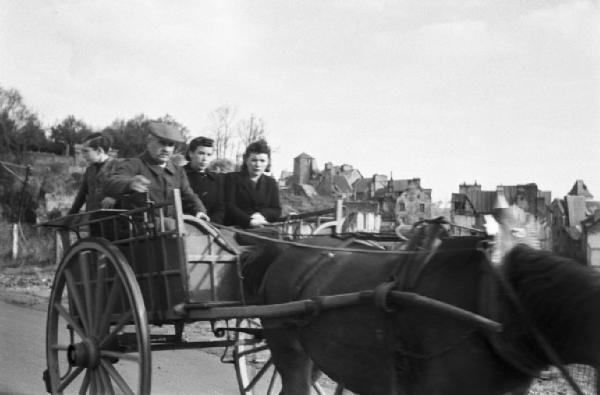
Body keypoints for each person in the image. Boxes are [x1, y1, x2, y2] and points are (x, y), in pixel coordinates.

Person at [104, 121, 208, 220]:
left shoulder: (178, 170)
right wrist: (130, 183)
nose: (166, 149)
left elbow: (189, 195)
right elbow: (110, 183)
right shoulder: (134, 164)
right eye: (162, 143)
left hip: (170, 228)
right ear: (149, 143)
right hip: (141, 228)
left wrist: (200, 210)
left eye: (170, 145)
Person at [225, 139, 281, 228]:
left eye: (262, 161)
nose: (258, 165)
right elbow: (229, 206)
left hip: (262, 228)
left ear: (268, 162)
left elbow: (276, 210)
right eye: (254, 160)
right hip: (237, 228)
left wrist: (261, 215)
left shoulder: (271, 182)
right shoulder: (232, 179)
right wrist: (249, 221)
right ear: (246, 160)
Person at [68, 132, 119, 214]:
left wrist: (116, 198)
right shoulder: (89, 170)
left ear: (99, 151)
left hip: (113, 220)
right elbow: (81, 196)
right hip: (92, 220)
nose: (83, 155)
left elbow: (129, 191)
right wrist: (68, 219)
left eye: (85, 151)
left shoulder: (118, 167)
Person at [184, 136, 225, 224]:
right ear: (191, 153)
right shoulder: (180, 175)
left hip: (212, 227)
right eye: (201, 153)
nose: (205, 159)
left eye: (209, 155)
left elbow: (220, 207)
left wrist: (212, 224)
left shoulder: (216, 179)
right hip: (187, 225)